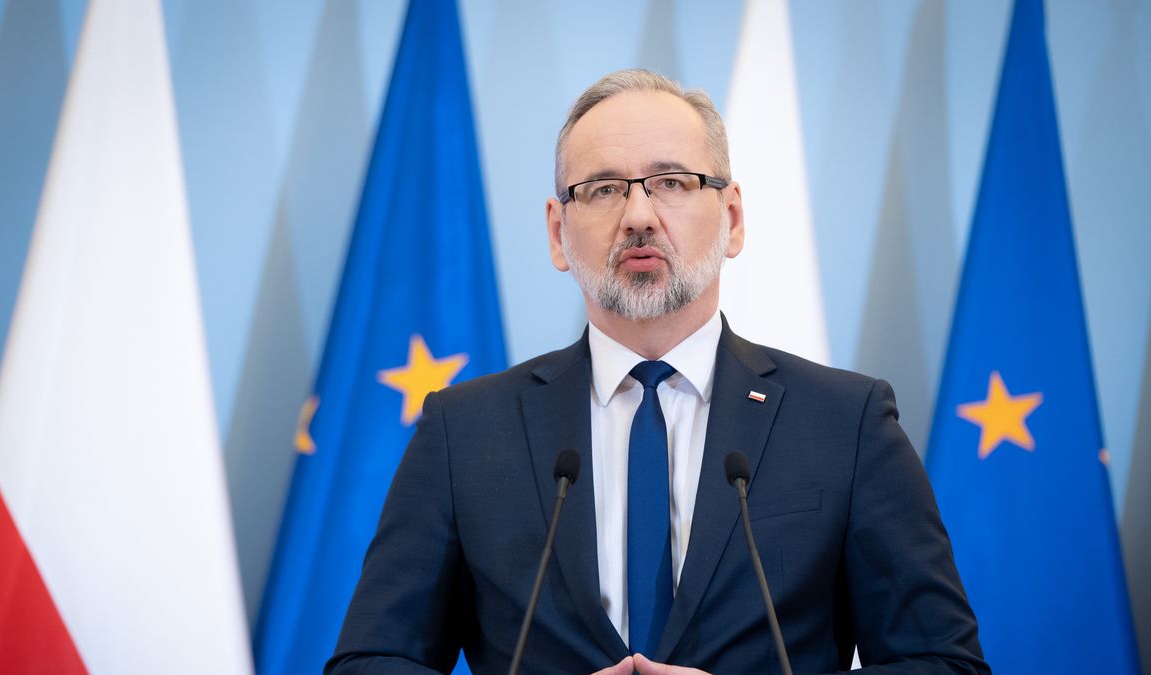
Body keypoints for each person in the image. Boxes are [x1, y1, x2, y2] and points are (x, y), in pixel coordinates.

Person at [326, 69, 988, 674]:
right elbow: (370, 662)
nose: (640, 215)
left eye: (672, 182)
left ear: (731, 218)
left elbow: (945, 664)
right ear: (559, 232)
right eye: (605, 188)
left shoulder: (846, 424)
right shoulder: (464, 432)